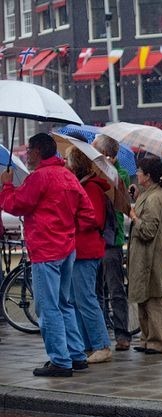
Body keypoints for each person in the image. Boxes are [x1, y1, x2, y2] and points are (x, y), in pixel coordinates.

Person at [0, 133, 96, 377]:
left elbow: (16, 205)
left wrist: (7, 185)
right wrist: (69, 229)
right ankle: (76, 355)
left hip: (45, 249)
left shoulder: (39, 178)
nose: (26, 155)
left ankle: (60, 361)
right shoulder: (67, 175)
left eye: (29, 150)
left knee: (47, 307)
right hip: (67, 248)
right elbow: (87, 212)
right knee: (65, 304)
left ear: (37, 151)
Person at [63, 146, 113, 364]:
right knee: (75, 299)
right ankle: (85, 344)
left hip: (86, 250)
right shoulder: (81, 186)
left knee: (86, 299)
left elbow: (94, 220)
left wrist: (70, 217)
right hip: (78, 250)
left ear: (76, 164)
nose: (64, 163)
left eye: (67, 160)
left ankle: (102, 345)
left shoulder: (91, 188)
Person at [127, 155, 162, 355]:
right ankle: (147, 338)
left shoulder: (155, 198)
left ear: (148, 175)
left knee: (154, 296)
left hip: (152, 255)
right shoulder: (151, 194)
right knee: (143, 295)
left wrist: (134, 217)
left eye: (139, 171)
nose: (136, 174)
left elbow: (148, 230)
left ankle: (158, 341)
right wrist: (137, 197)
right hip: (145, 254)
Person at [92, 134, 133, 352]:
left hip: (112, 240)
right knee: (96, 290)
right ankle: (100, 334)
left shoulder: (121, 175)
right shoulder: (91, 174)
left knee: (116, 289)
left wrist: (109, 170)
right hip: (95, 239)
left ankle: (122, 334)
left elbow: (121, 200)